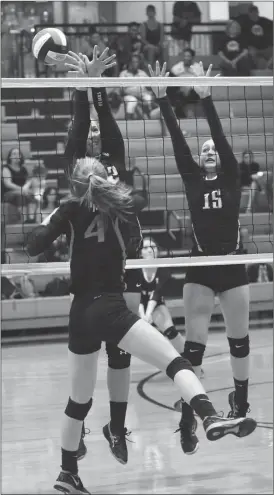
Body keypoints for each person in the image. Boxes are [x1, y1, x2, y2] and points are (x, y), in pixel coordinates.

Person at [26, 155, 256, 495]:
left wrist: (55, 216)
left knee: (79, 402)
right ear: (107, 180)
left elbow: (33, 246)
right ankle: (209, 416)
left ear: (75, 184)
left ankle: (68, 473)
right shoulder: (125, 207)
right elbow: (135, 222)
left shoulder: (70, 209)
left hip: (79, 313)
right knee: (175, 361)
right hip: (110, 306)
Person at [148, 60, 253, 456]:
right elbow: (178, 140)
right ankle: (188, 421)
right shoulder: (192, 178)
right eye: (205, 150)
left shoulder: (232, 177)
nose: (210, 152)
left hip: (231, 262)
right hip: (200, 265)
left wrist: (207, 101)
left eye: (213, 151)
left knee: (239, 340)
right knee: (193, 350)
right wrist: (162, 99)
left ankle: (240, 403)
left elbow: (221, 139)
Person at [64, 46, 147, 465]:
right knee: (86, 360)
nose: (95, 135)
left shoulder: (113, 159)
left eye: (99, 133)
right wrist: (81, 89)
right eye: (89, 134)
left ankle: (116, 427)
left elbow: (106, 123)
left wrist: (97, 85)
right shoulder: (78, 168)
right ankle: (74, 434)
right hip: (89, 272)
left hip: (123, 266)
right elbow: (81, 128)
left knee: (122, 350)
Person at [139, 237, 185, 355]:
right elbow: (137, 296)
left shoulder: (163, 269)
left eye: (153, 247)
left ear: (157, 251)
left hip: (156, 304)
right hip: (136, 304)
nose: (150, 250)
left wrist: (148, 314)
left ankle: (190, 359)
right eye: (145, 248)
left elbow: (156, 294)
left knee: (170, 332)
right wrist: (143, 316)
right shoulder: (134, 269)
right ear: (140, 252)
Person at [119, 54, 155, 119]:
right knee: (132, 100)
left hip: (142, 95)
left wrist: (150, 90)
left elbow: (150, 86)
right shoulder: (123, 74)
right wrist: (137, 98)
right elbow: (123, 91)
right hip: (128, 96)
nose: (135, 64)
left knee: (148, 98)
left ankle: (149, 120)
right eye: (133, 62)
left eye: (137, 62)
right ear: (129, 63)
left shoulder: (142, 73)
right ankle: (128, 121)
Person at [167, 47, 200, 118]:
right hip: (179, 92)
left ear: (192, 57)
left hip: (193, 92)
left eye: (188, 56)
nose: (186, 58)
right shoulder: (176, 67)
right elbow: (172, 83)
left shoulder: (197, 67)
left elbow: (200, 83)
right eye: (184, 56)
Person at [241, 5, 273, 70]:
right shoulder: (245, 24)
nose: (254, 14)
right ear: (249, 14)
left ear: (258, 13)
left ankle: (268, 68)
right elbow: (243, 38)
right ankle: (260, 71)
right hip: (253, 48)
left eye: (255, 12)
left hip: (267, 47)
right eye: (251, 12)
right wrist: (248, 46)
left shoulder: (265, 21)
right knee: (257, 60)